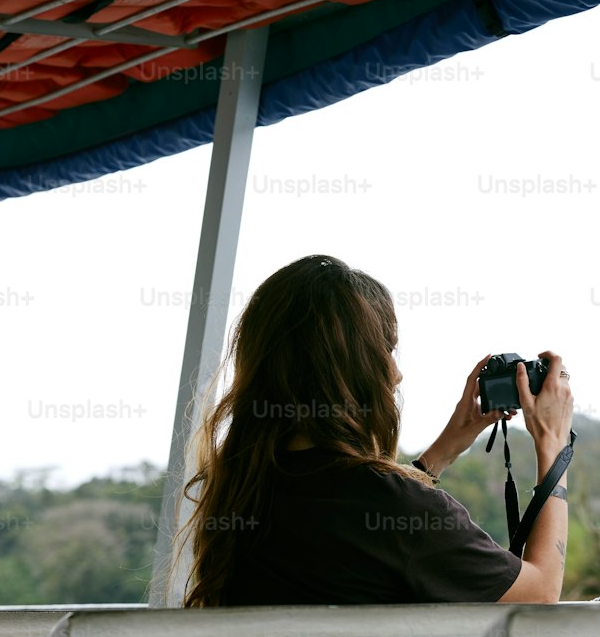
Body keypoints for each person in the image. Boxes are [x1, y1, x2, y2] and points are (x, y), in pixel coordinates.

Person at [178, 255, 574, 606]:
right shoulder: (398, 507)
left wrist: (440, 454)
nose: (396, 374)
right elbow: (538, 593)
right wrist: (553, 447)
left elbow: (362, 515)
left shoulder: (245, 489)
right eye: (384, 349)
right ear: (350, 369)